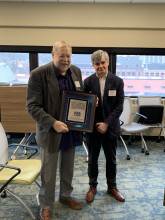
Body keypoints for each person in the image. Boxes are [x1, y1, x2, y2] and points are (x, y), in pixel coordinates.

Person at [26, 41, 83, 220]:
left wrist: (90, 103)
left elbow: (79, 97)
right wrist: (52, 123)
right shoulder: (39, 75)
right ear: (53, 54)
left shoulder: (76, 71)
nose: (65, 60)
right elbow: (32, 106)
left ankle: (65, 196)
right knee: (48, 173)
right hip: (50, 132)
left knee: (69, 168)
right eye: (61, 55)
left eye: (68, 56)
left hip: (71, 130)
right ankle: (45, 204)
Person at [84, 50, 125, 203]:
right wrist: (89, 104)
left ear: (108, 62)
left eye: (102, 63)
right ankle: (92, 187)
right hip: (93, 128)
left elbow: (119, 106)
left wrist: (106, 123)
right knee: (92, 159)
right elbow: (82, 104)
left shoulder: (117, 81)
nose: (100, 66)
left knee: (111, 159)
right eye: (97, 64)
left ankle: (112, 187)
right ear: (93, 65)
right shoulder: (87, 82)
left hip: (111, 127)